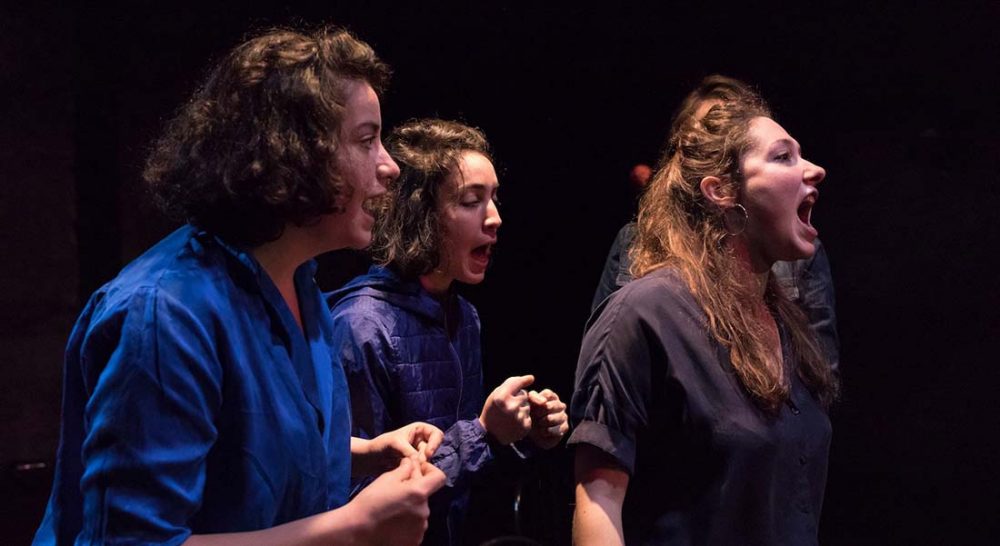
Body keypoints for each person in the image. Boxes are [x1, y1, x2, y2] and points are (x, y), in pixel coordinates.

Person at [34, 27, 446, 545]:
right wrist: (353, 528)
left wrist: (361, 452)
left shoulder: (301, 285)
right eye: (367, 140)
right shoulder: (164, 314)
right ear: (295, 153)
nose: (389, 166)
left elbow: (243, 445)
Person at [570, 76, 840, 545]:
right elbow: (599, 503)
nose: (815, 170)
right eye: (783, 157)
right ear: (720, 190)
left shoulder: (786, 326)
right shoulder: (645, 312)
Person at [327, 119, 570, 545]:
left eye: (494, 198)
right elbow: (357, 496)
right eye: (472, 201)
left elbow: (464, 472)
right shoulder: (362, 326)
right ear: (423, 214)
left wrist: (522, 433)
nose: (494, 218)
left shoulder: (463, 317)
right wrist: (483, 432)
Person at [589, 79, 839, 374]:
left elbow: (822, 374)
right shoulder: (639, 263)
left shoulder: (797, 253)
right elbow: (604, 370)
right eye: (707, 140)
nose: (814, 170)